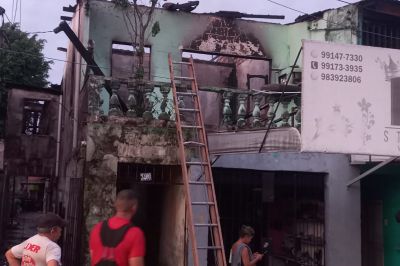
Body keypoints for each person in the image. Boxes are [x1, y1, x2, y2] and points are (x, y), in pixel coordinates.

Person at [90, 189, 145, 266]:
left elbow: (93, 257)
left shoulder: (97, 228)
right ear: (134, 207)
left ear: (116, 205)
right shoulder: (135, 233)